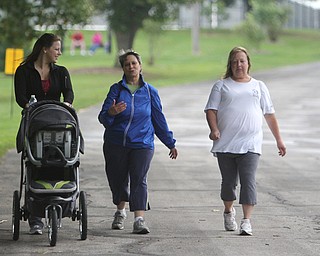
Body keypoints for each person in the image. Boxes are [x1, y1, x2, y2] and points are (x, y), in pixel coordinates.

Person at [204, 46, 286, 236]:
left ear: (248, 63)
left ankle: (246, 221)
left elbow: (270, 115)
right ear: (230, 65)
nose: (239, 65)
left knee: (248, 181)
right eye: (234, 62)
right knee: (229, 183)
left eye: (242, 61)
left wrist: (279, 140)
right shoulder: (221, 85)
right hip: (226, 144)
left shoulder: (259, 86)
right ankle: (228, 211)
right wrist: (214, 129)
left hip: (251, 143)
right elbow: (211, 110)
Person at [98, 49, 178, 234]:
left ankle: (139, 219)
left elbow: (159, 119)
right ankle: (120, 211)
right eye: (127, 64)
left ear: (140, 66)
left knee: (139, 179)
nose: (131, 67)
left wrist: (170, 143)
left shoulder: (150, 92)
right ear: (123, 69)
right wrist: (112, 113)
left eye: (134, 63)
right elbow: (103, 118)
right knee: (118, 180)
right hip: (116, 143)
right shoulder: (116, 90)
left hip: (142, 143)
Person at [14, 33, 74, 235]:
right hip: (34, 124)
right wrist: (29, 105)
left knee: (59, 161)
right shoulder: (23, 71)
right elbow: (20, 97)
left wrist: (67, 104)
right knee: (35, 163)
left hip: (56, 123)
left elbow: (69, 93)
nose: (60, 52)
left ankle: (60, 200)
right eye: (57, 48)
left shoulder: (61, 72)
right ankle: (35, 217)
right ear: (45, 49)